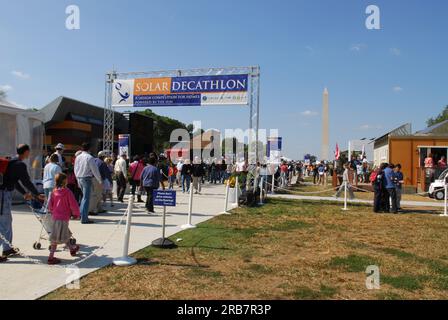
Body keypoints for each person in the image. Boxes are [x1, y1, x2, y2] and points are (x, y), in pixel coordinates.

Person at [1, 144, 44, 262]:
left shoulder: (11, 162)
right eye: (29, 152)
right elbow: (26, 181)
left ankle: (7, 248)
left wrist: (24, 193)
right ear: (25, 152)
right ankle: (6, 248)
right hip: (3, 195)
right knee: (3, 222)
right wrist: (36, 194)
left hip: (5, 194)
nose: (29, 154)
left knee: (7, 221)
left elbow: (14, 182)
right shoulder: (19, 165)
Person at [47, 173, 80, 265]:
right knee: (56, 238)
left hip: (56, 217)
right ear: (64, 181)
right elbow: (73, 204)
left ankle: (72, 249)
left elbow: (50, 205)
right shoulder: (68, 192)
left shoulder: (54, 192)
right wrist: (76, 214)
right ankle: (51, 257)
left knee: (64, 234)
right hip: (64, 217)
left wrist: (53, 211)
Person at [73, 142, 102, 224]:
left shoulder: (78, 157)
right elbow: (94, 170)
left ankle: (81, 215)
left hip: (79, 177)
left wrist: (77, 178)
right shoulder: (89, 157)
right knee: (86, 198)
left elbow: (75, 169)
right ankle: (84, 218)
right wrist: (99, 180)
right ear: (89, 148)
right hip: (87, 178)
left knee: (83, 198)